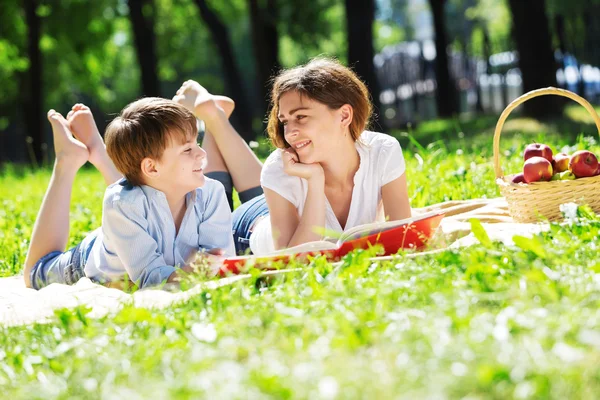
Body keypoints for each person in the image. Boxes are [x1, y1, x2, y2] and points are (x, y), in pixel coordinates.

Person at [23, 92, 261, 290]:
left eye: (197, 144)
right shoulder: (122, 204)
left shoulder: (211, 193)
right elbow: (151, 278)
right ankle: (67, 160)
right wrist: (193, 269)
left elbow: (220, 260)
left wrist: (203, 266)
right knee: (34, 274)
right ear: (151, 166)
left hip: (130, 228)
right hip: (95, 260)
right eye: (187, 150)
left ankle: (98, 149)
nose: (202, 154)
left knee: (133, 193)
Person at [225, 57, 412, 255]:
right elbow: (293, 263)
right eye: (285, 121)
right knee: (215, 196)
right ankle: (214, 117)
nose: (289, 133)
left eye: (301, 117)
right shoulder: (280, 167)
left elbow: (404, 239)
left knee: (259, 186)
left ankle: (215, 115)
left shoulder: (382, 151)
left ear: (344, 116)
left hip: (282, 204)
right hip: (249, 229)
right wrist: (315, 180)